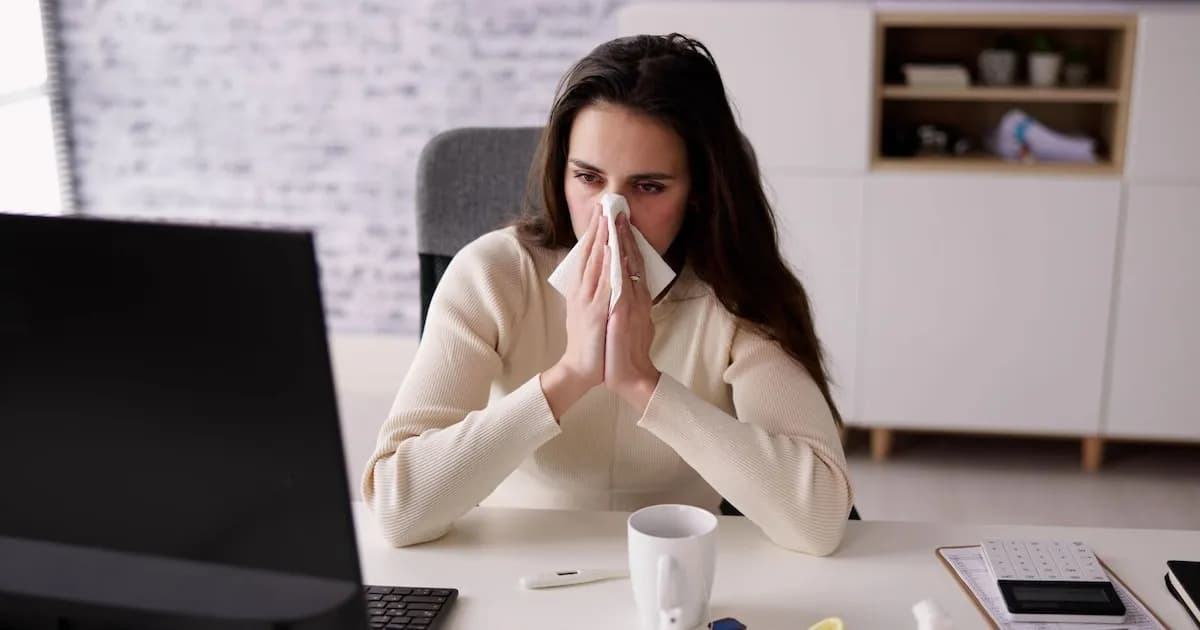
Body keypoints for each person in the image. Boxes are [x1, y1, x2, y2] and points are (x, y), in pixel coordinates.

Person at [362, 33, 853, 555]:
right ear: (561, 173)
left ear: (700, 193)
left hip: (681, 569)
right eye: (588, 178)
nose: (609, 214)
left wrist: (643, 382)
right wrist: (571, 373)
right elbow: (397, 509)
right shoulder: (493, 274)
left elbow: (820, 521)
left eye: (649, 187)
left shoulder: (738, 292)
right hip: (516, 566)